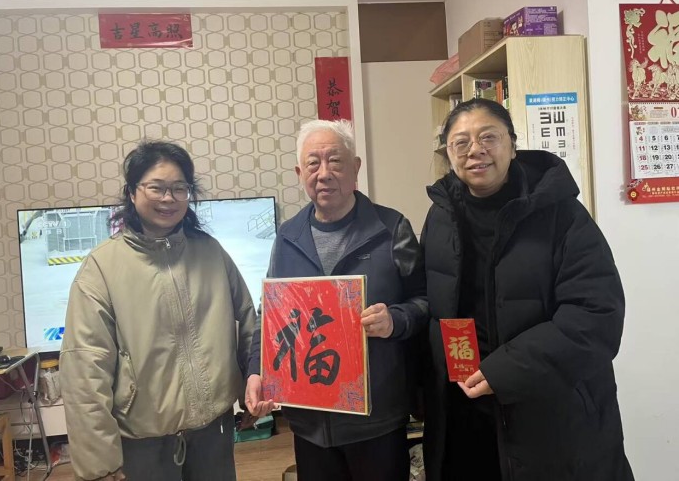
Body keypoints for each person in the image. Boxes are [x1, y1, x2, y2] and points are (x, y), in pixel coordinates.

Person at [420, 98, 634, 481]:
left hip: (551, 419)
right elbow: (430, 305)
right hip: (465, 415)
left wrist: (504, 371)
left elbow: (595, 316)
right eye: (461, 142)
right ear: (449, 154)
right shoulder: (440, 216)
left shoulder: (562, 215)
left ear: (513, 144)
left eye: (488, 137)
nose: (475, 150)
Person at [60, 140, 257, 481]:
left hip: (214, 432)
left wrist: (255, 387)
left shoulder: (211, 252)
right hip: (143, 444)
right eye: (156, 187)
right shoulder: (102, 268)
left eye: (179, 188)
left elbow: (248, 323)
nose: (169, 198)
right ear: (132, 192)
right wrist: (99, 465)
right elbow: (84, 371)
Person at [245, 119, 428, 481]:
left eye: (336, 161)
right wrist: (256, 370)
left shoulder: (391, 229)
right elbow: (270, 314)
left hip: (376, 417)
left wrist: (395, 320)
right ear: (300, 173)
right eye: (313, 163)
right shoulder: (288, 236)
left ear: (355, 168)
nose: (324, 173)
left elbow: (425, 300)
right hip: (310, 421)